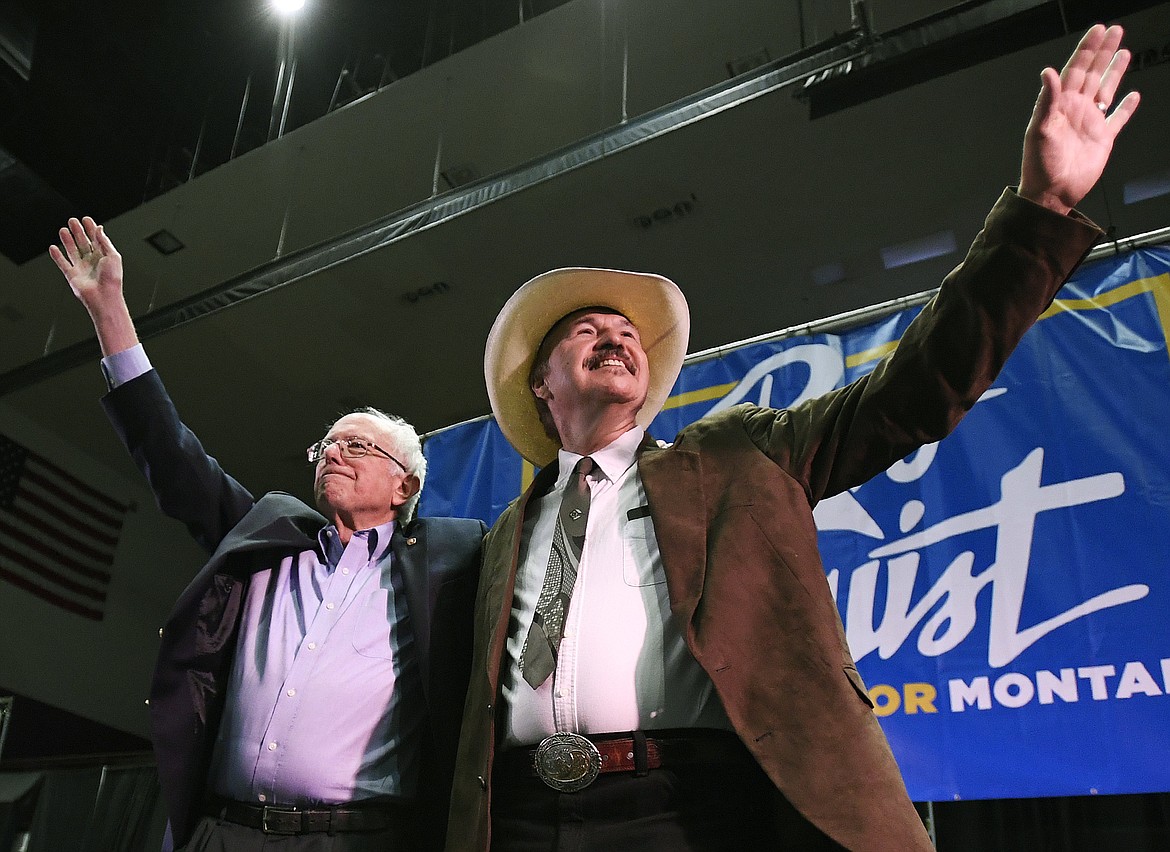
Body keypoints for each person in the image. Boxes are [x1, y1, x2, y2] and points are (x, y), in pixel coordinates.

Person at [445, 24, 1141, 852]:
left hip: (693, 810)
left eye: (628, 331)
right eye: (586, 329)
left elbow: (915, 389)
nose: (617, 336)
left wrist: (1040, 212)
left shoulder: (740, 456)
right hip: (521, 820)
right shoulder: (498, 541)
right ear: (539, 383)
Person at [50, 221, 486, 852]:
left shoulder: (453, 561)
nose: (335, 454)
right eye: (327, 445)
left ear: (404, 488)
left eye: (358, 446)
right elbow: (172, 456)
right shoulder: (268, 538)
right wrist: (111, 310)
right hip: (220, 832)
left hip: (357, 840)